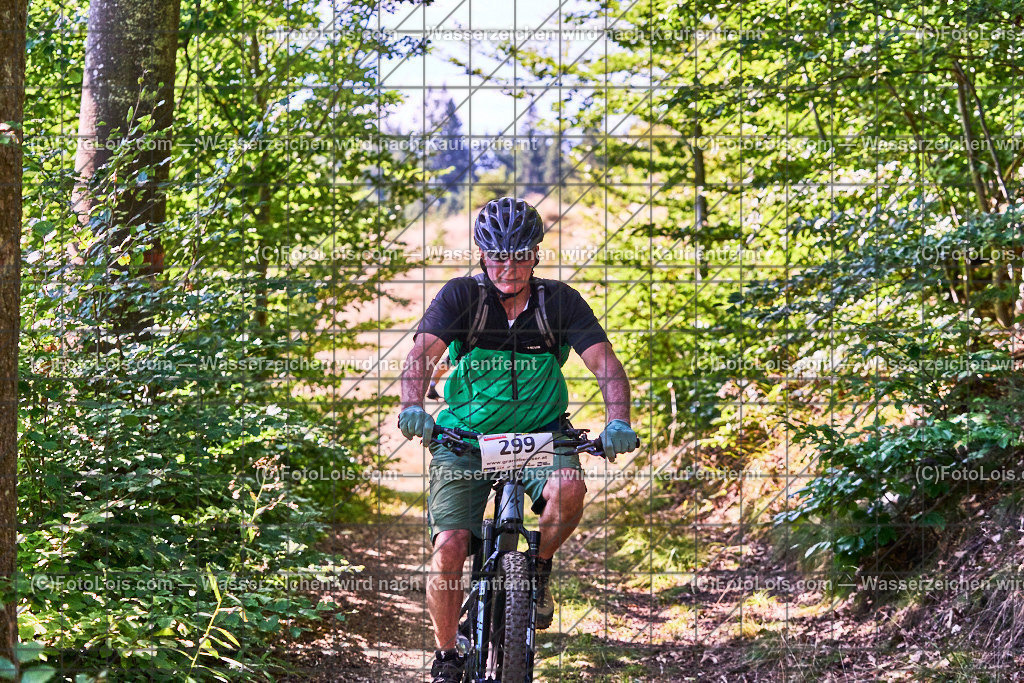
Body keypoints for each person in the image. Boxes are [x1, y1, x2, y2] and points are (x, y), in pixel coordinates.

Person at [397, 197, 638, 683]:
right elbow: (421, 357)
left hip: (541, 436)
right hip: (465, 438)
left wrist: (618, 421)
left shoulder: (559, 303)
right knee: (450, 546)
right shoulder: (462, 297)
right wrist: (411, 407)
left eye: (520, 255)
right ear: (482, 255)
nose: (508, 267)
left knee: (569, 488)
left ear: (536, 255)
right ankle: (447, 656)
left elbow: (606, 365)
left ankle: (538, 569)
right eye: (498, 256)